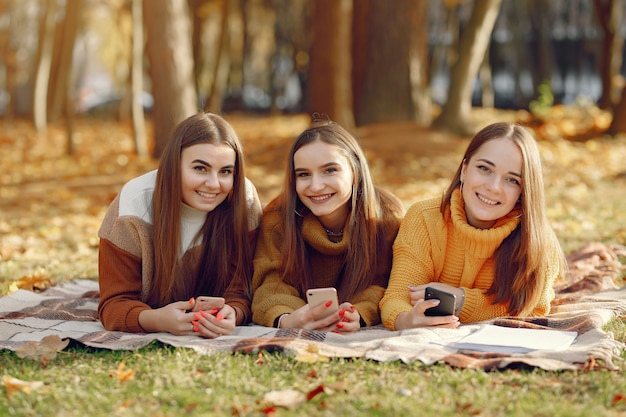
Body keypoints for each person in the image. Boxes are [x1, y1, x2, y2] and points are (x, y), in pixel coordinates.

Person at [380, 122, 566, 330]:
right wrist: (407, 320)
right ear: (464, 170)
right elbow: (397, 297)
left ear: (523, 191)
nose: (493, 187)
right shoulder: (424, 218)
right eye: (484, 169)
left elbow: (534, 307)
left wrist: (460, 300)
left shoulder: (538, 238)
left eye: (512, 180)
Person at [98, 112, 262, 338]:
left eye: (225, 171)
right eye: (200, 168)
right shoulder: (131, 206)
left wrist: (234, 312)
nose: (214, 184)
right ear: (174, 164)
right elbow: (113, 304)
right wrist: (156, 320)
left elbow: (242, 289)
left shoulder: (244, 201)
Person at [251, 118, 405, 333]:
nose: (316, 186)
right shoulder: (278, 219)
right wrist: (288, 318)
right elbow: (271, 285)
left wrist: (358, 313)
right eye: (303, 174)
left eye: (329, 170)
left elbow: (385, 284)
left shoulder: (386, 217)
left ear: (355, 171)